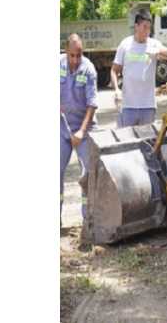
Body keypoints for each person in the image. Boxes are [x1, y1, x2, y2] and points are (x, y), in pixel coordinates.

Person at [60, 34, 98, 225]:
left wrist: (81, 132)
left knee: (88, 173)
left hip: (85, 127)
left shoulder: (88, 69)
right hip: (61, 128)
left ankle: (88, 220)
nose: (75, 60)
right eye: (72, 55)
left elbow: (92, 104)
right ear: (66, 52)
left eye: (79, 55)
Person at [111, 9, 167, 127]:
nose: (147, 31)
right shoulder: (125, 45)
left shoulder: (153, 44)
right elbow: (114, 70)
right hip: (128, 106)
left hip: (147, 106)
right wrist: (117, 89)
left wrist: (157, 50)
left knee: (147, 142)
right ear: (136, 26)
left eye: (149, 28)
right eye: (144, 27)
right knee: (127, 142)